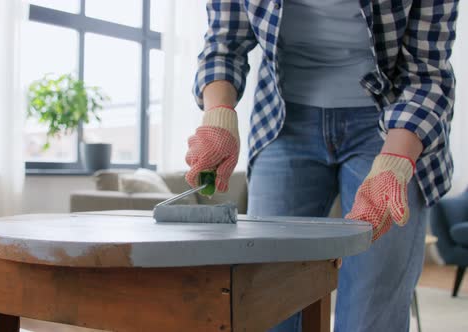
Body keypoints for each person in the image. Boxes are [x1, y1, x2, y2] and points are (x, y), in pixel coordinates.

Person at [185, 1, 459, 331]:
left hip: (392, 125)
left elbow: (427, 73)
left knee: (370, 314)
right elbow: (224, 43)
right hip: (284, 121)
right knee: (266, 301)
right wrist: (218, 113)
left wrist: (395, 160)